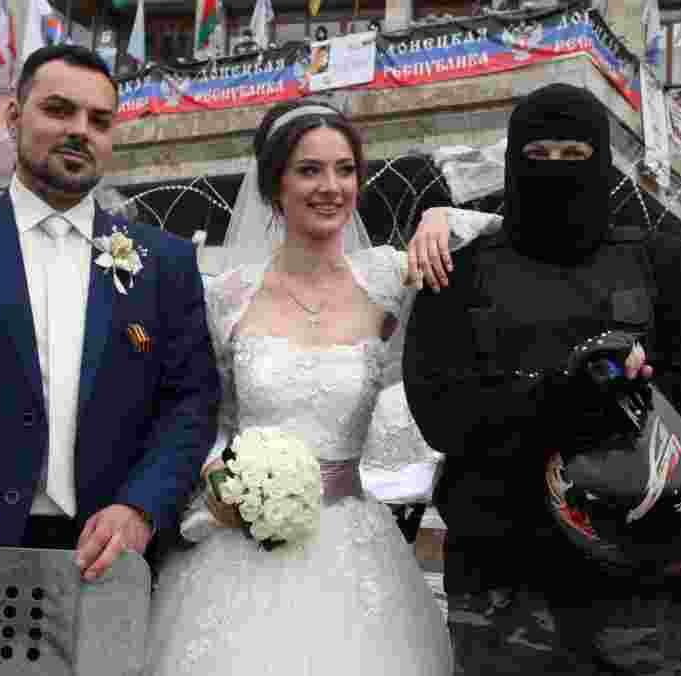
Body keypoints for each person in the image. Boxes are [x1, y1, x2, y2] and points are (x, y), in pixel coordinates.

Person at [402, 83, 681, 675]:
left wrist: (623, 396)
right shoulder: (462, 278)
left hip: (657, 592)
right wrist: (565, 400)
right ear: (516, 161)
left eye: (576, 155)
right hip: (508, 591)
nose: (558, 172)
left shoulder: (662, 263)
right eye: (541, 156)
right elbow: (443, 411)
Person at [144, 100, 499, 676]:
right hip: (239, 545)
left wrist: (440, 217)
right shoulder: (226, 296)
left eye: (345, 169)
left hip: (352, 545)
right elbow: (210, 415)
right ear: (273, 184)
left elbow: (505, 230)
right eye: (309, 170)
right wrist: (217, 474)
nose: (331, 187)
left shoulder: (387, 277)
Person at [0, 45, 221, 584]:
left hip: (104, 554)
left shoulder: (164, 262)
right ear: (13, 117)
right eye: (58, 110)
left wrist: (142, 507)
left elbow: (190, 404)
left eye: (99, 120)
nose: (80, 130)